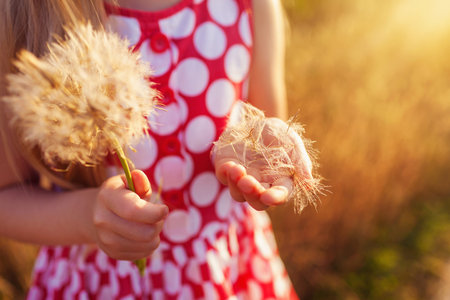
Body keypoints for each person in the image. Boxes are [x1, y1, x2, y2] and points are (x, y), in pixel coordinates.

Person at [0, 0, 310, 298]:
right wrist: (87, 217)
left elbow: (265, 117)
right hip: (97, 284)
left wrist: (253, 144)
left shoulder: (248, 5)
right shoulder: (32, 11)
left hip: (224, 266)